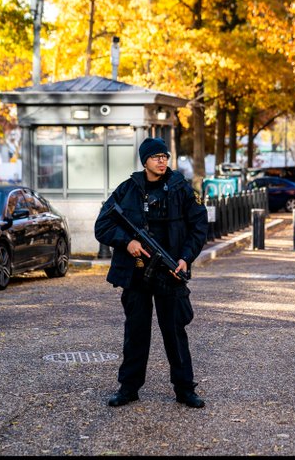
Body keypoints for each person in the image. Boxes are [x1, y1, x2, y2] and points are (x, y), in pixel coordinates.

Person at [94, 137, 209, 408]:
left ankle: (184, 389)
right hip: (136, 274)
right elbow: (102, 226)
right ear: (144, 160)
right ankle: (129, 388)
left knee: (174, 332)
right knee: (136, 332)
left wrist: (185, 258)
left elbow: (199, 226)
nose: (162, 161)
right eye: (156, 156)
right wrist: (128, 242)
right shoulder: (128, 190)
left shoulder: (181, 188)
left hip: (169, 272)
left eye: (165, 156)